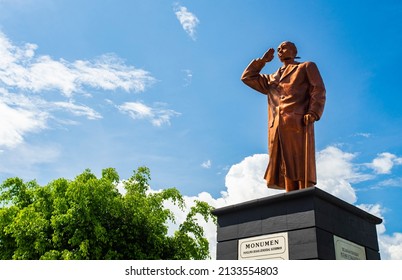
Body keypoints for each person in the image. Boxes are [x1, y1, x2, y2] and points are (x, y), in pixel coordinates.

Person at [241, 41, 326, 192]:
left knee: (299, 160)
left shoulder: (305, 67)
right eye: (278, 49)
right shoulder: (272, 78)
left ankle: (305, 194)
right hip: (277, 126)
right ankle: (291, 195)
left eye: (284, 47)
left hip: (298, 121)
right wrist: (262, 62)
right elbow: (247, 77)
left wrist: (313, 112)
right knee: (284, 162)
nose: (280, 50)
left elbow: (318, 90)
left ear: (294, 51)